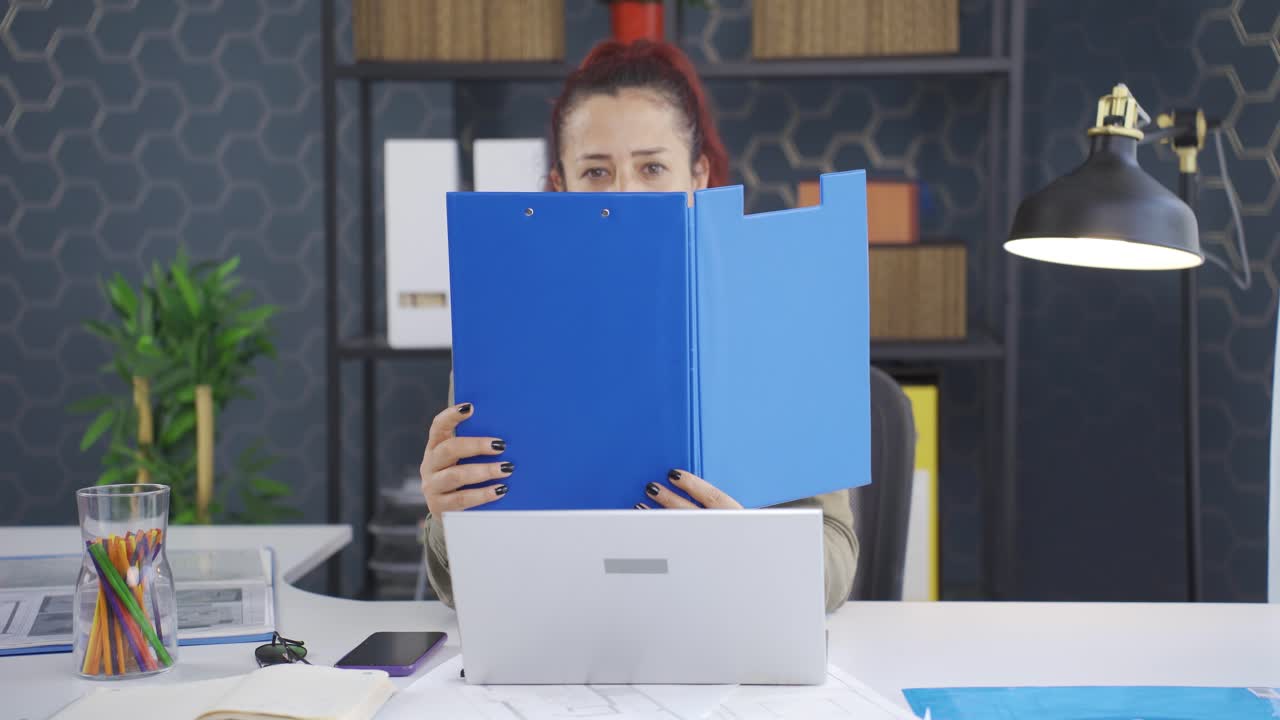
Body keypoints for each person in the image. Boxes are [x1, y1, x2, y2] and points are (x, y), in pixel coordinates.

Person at [419, 39, 859, 613]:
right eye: (596, 171)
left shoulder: (781, 327)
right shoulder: (504, 335)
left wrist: (750, 547)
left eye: (652, 167)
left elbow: (836, 559)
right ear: (561, 186)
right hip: (561, 637)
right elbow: (461, 591)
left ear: (698, 175)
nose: (625, 195)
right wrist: (446, 518)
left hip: (729, 628)